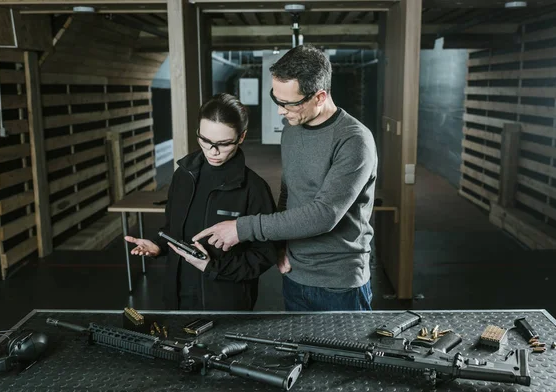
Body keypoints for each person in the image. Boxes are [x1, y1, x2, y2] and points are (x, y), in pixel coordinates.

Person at [193, 45, 378, 312]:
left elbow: (324, 215)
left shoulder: (354, 141)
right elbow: (288, 193)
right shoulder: (292, 130)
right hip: (293, 274)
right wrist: (279, 246)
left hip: (339, 285)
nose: (281, 111)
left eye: (289, 103)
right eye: (276, 99)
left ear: (320, 96)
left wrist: (242, 228)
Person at [124, 93, 277, 311]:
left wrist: (212, 267)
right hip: (177, 299)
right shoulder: (183, 176)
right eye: (205, 141)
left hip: (225, 304)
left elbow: (264, 254)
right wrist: (158, 245)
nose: (213, 151)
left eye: (223, 144)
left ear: (241, 137)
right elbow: (173, 228)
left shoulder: (254, 188)